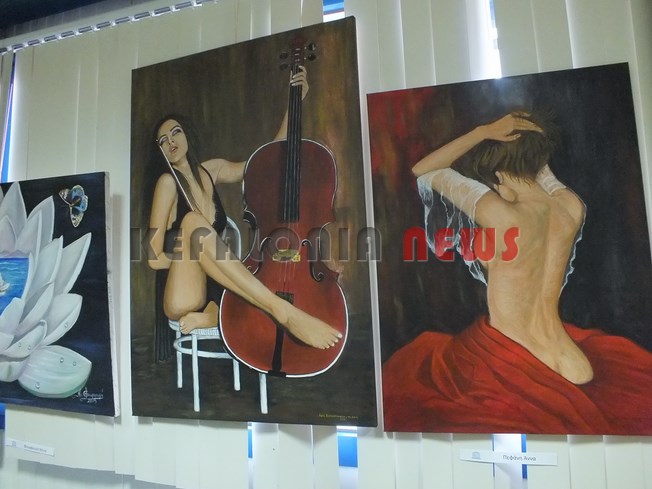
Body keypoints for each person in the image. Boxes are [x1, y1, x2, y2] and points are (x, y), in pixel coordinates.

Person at [382, 111, 652, 433]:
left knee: (411, 370)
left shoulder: (498, 213)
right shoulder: (570, 207)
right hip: (572, 361)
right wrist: (531, 143)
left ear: (497, 176)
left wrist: (483, 131)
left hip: (510, 362)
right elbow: (543, 173)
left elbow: (423, 169)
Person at [147, 67, 342, 351]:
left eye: (175, 132)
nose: (171, 141)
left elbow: (264, 158)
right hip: (182, 291)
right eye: (163, 141)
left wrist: (295, 102)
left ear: (187, 135)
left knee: (223, 263)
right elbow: (153, 259)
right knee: (191, 223)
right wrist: (194, 258)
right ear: (161, 151)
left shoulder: (211, 170)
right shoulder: (167, 183)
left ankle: (211, 317)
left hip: (214, 287)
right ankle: (281, 310)